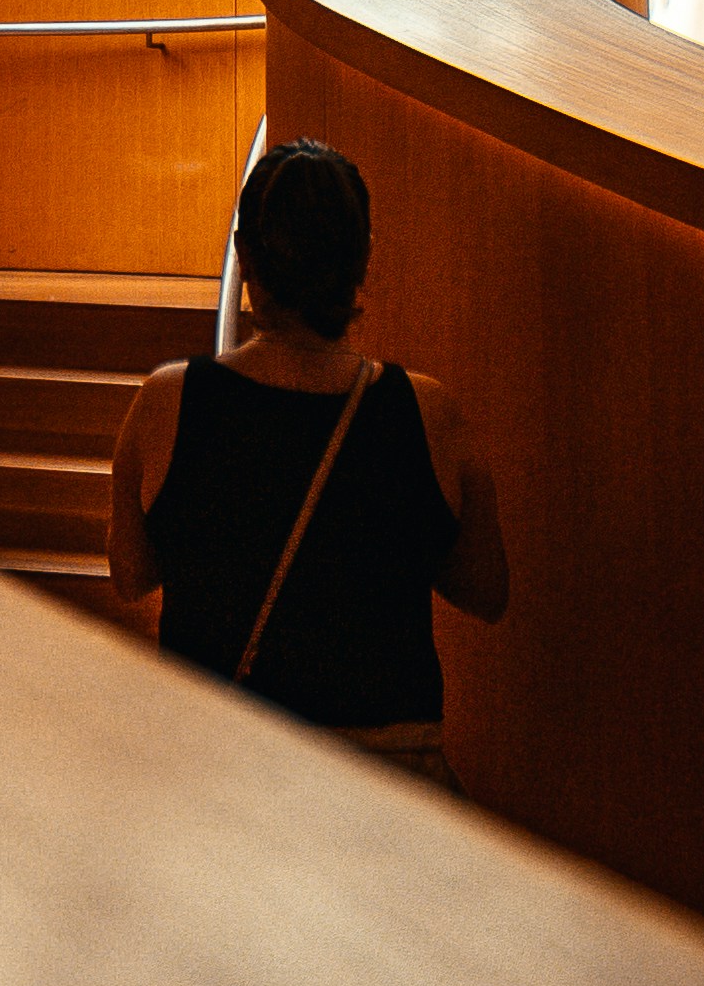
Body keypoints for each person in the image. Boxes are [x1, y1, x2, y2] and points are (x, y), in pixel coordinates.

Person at [104, 139, 509, 789]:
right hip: (389, 782)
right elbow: (487, 592)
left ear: (247, 261)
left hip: (219, 768)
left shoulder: (167, 403)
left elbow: (130, 575)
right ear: (362, 259)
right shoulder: (429, 412)